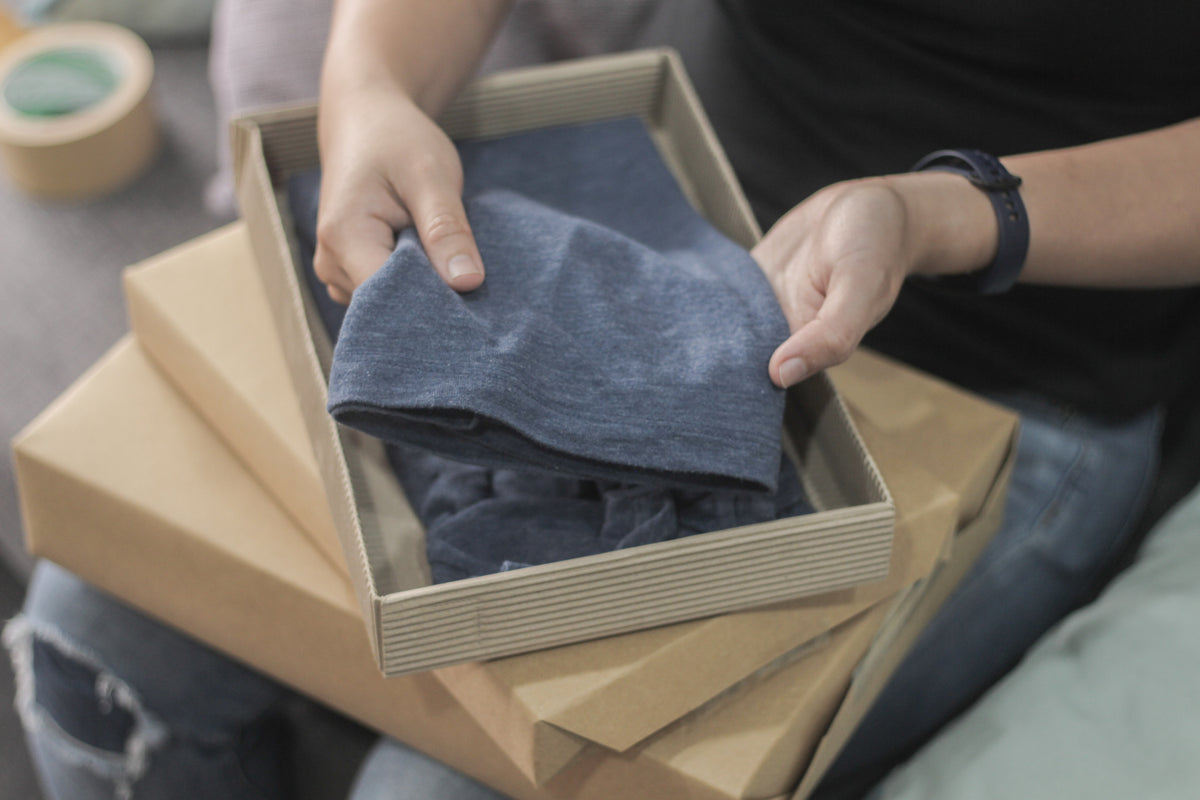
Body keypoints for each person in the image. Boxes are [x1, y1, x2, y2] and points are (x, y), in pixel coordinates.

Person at [8, 1, 1200, 798]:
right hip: (662, 204)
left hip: (1009, 356)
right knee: (91, 631)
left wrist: (941, 212)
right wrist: (369, 86)